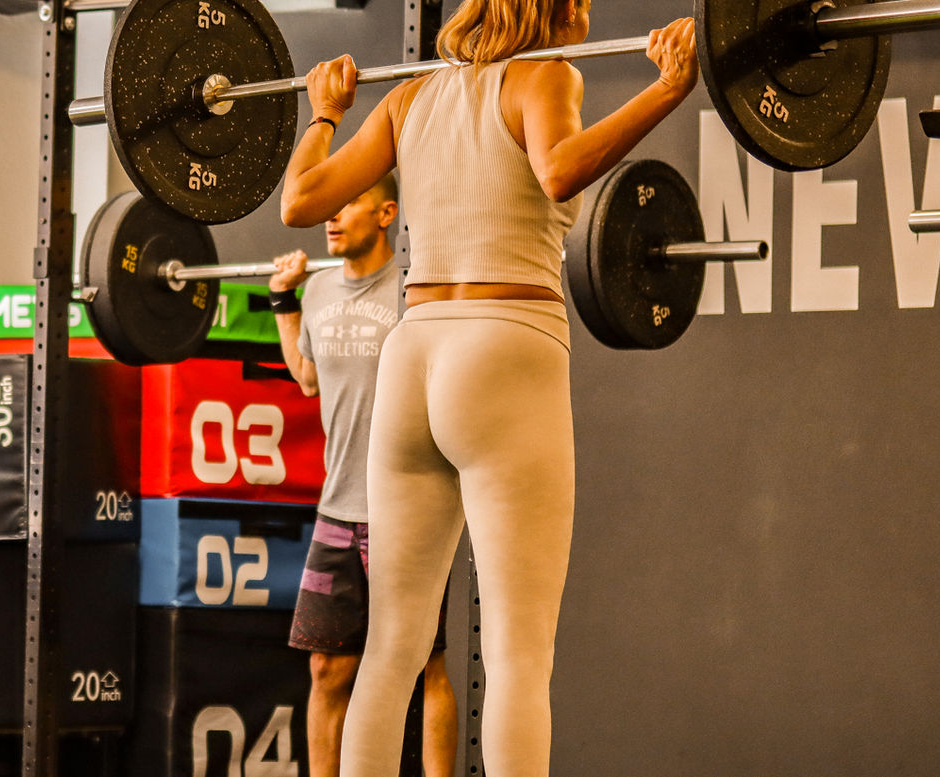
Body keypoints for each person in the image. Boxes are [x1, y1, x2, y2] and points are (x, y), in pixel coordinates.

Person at [277, 1, 697, 776]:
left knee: (392, 646)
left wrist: (325, 114)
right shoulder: (547, 77)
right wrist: (667, 89)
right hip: (504, 345)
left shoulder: (409, 99)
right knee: (516, 654)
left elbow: (298, 202)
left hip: (415, 353)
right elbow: (560, 169)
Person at [274, 173, 458, 777]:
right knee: (327, 669)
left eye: (346, 202)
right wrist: (283, 301)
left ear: (386, 214)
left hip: (404, 515)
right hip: (337, 512)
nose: (329, 216)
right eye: (326, 206)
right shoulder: (321, 291)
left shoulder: (414, 292)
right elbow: (306, 378)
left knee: (423, 662)